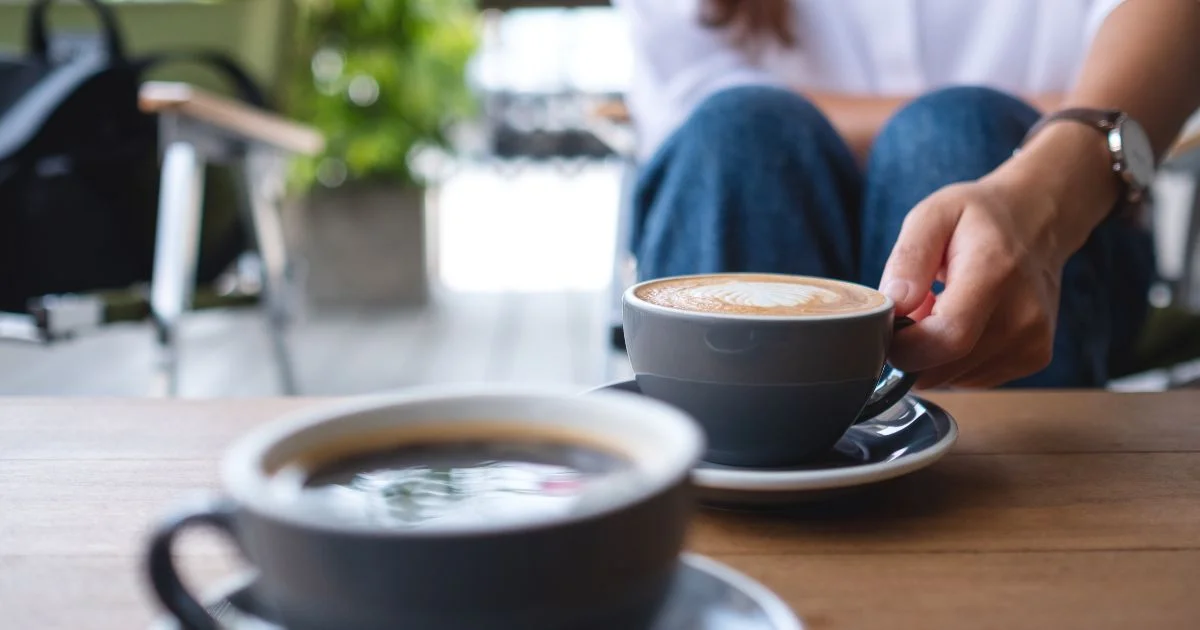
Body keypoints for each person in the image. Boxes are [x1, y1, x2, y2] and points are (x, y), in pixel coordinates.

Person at [612, 0, 1200, 388]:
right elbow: (688, 101)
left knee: (956, 133)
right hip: (766, 190)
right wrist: (1047, 114)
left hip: (1058, 227)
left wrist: (1049, 177)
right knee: (736, 133)